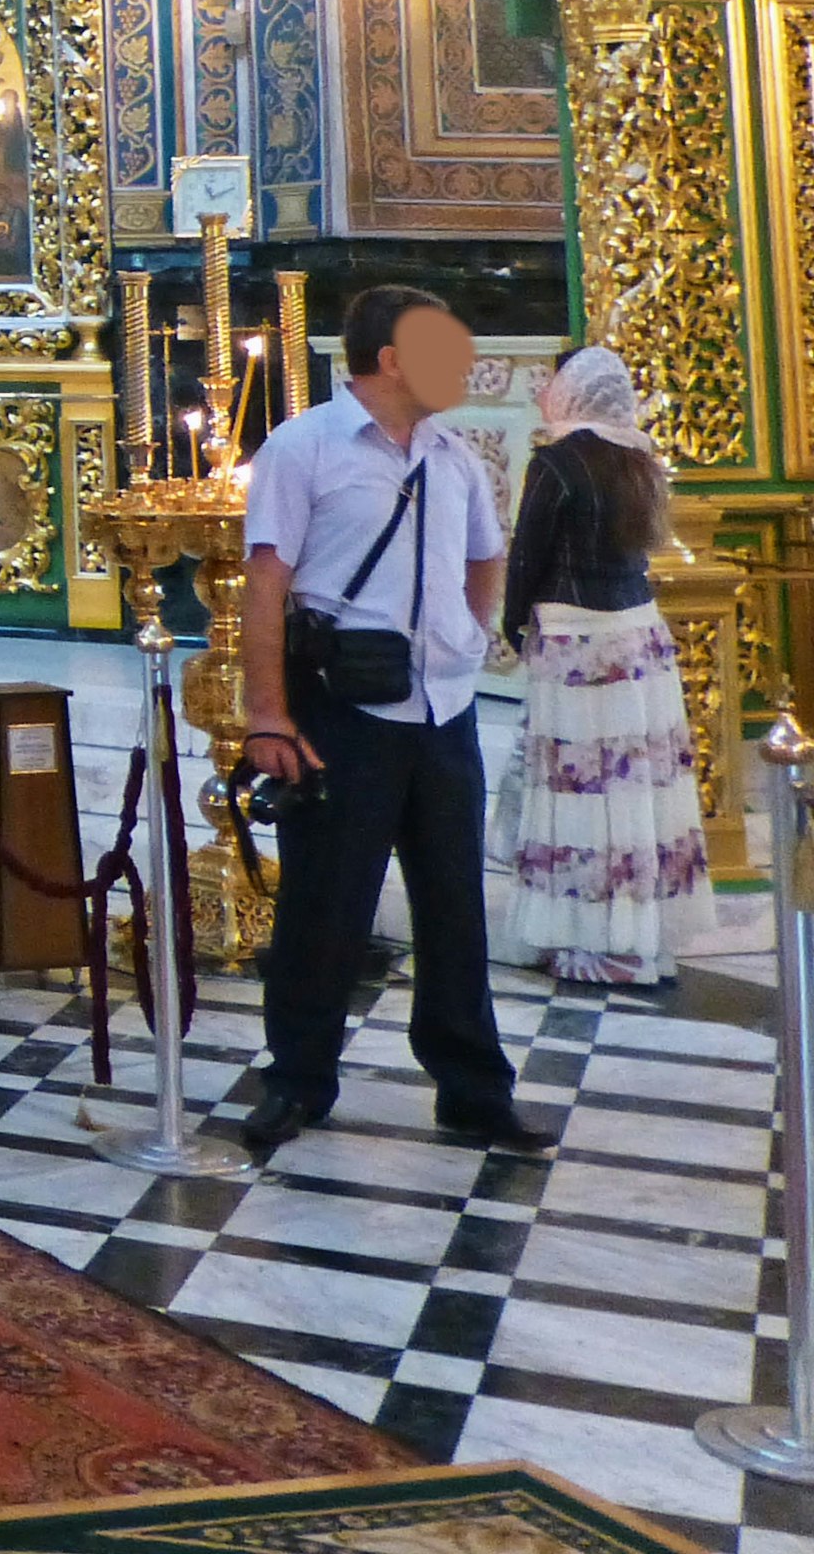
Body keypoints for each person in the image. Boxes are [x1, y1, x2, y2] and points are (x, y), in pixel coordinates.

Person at [236, 286, 548, 1157]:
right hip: (343, 708)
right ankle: (298, 1079)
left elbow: (488, 553)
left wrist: (465, 638)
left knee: (454, 902)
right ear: (389, 360)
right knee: (326, 901)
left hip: (442, 711)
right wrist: (268, 714)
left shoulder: (454, 455)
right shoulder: (305, 449)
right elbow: (266, 582)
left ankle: (472, 1088)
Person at [500, 346, 710, 984]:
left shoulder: (555, 462)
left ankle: (584, 934)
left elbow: (528, 553)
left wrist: (512, 622)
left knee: (580, 794)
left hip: (575, 638)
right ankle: (634, 934)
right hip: (638, 635)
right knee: (633, 792)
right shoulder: (639, 460)